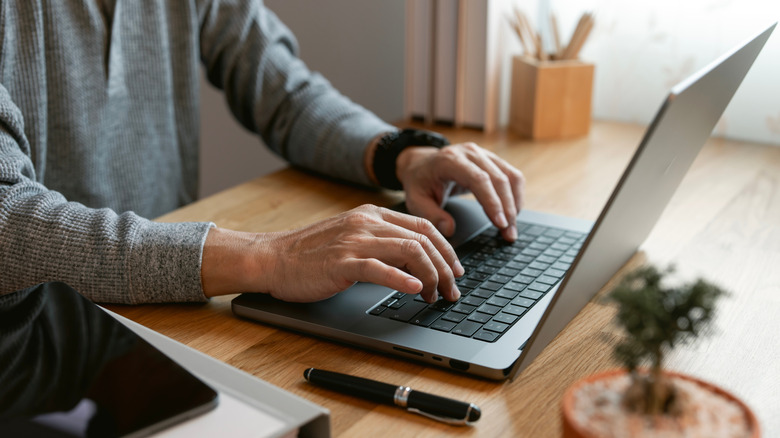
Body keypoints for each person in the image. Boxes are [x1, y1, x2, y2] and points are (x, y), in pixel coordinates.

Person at [0, 1, 524, 306]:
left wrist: (402, 155)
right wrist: (269, 256)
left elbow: (284, 91)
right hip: (28, 333)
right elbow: (7, 222)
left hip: (167, 310)